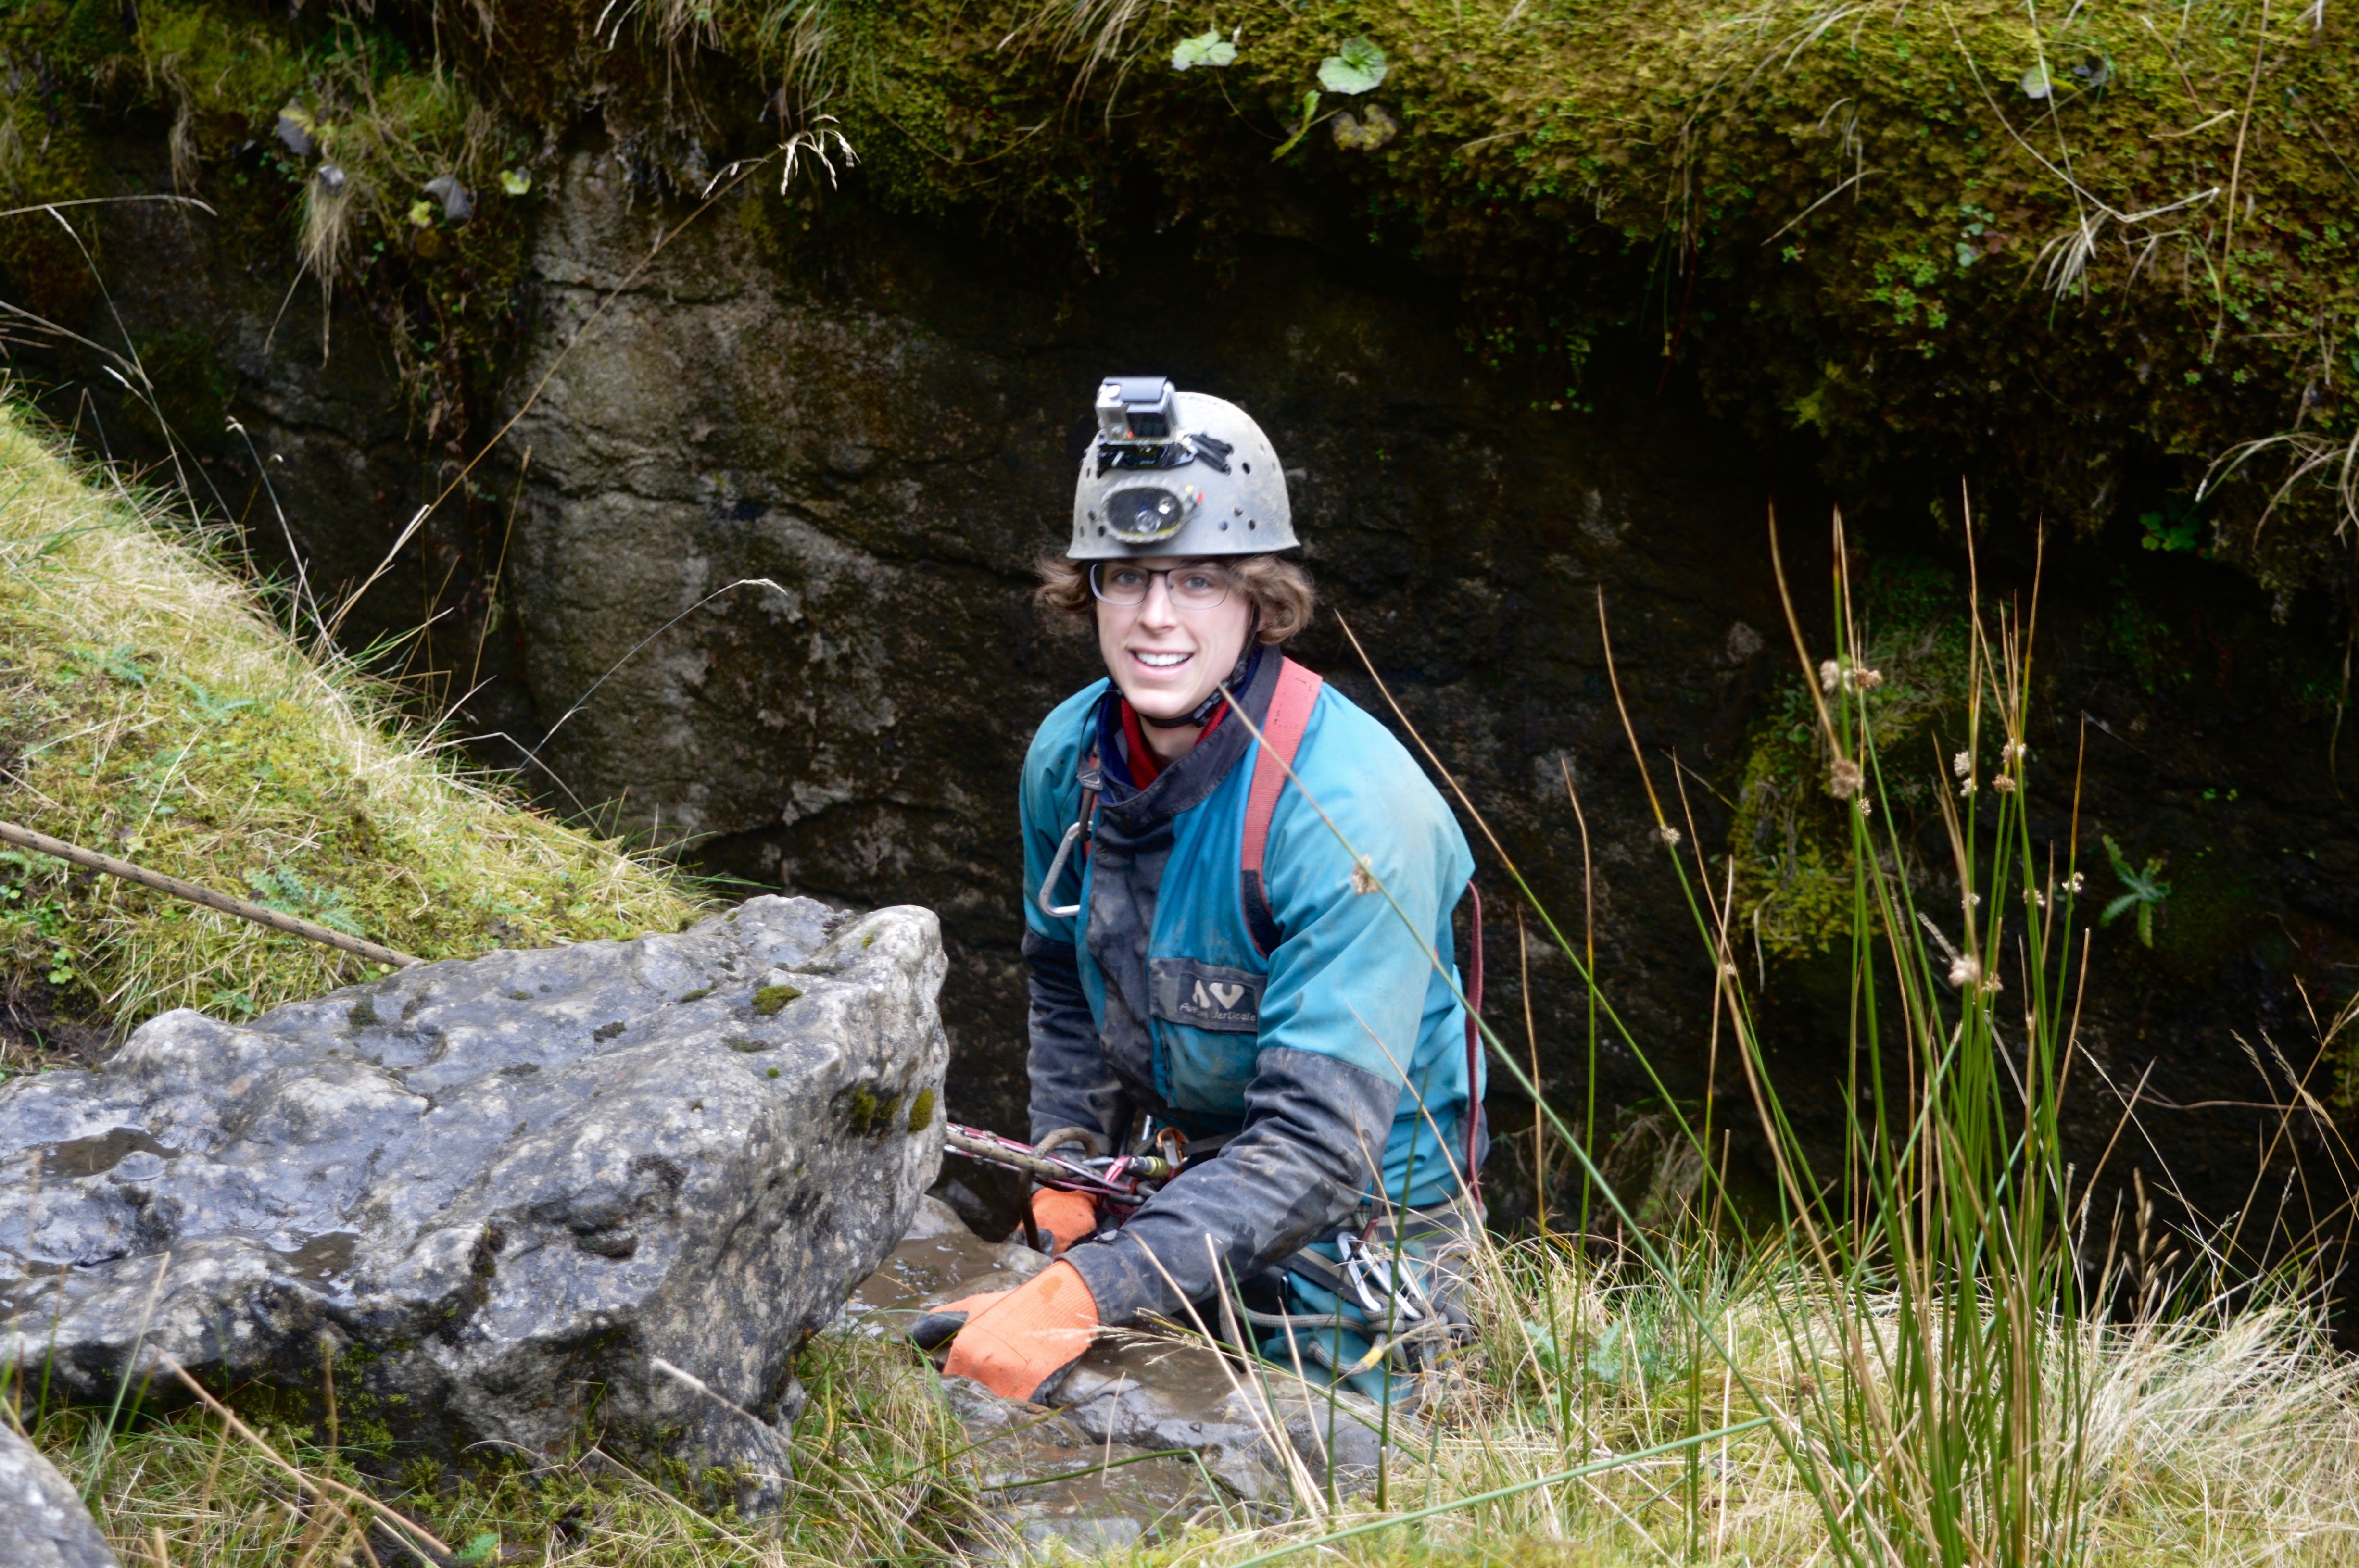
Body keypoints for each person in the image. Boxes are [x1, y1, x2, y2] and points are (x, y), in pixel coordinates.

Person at [917, 377, 1484, 1406]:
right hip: (1171, 1191)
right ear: (1087, 590)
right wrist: (1069, 1165)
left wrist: (1092, 1290)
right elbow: (1062, 979)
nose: (1155, 617)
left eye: (1199, 581)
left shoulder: (1350, 815)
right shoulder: (1069, 760)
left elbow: (1317, 1145)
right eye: (1126, 578)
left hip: (1358, 1245)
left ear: (1260, 600)